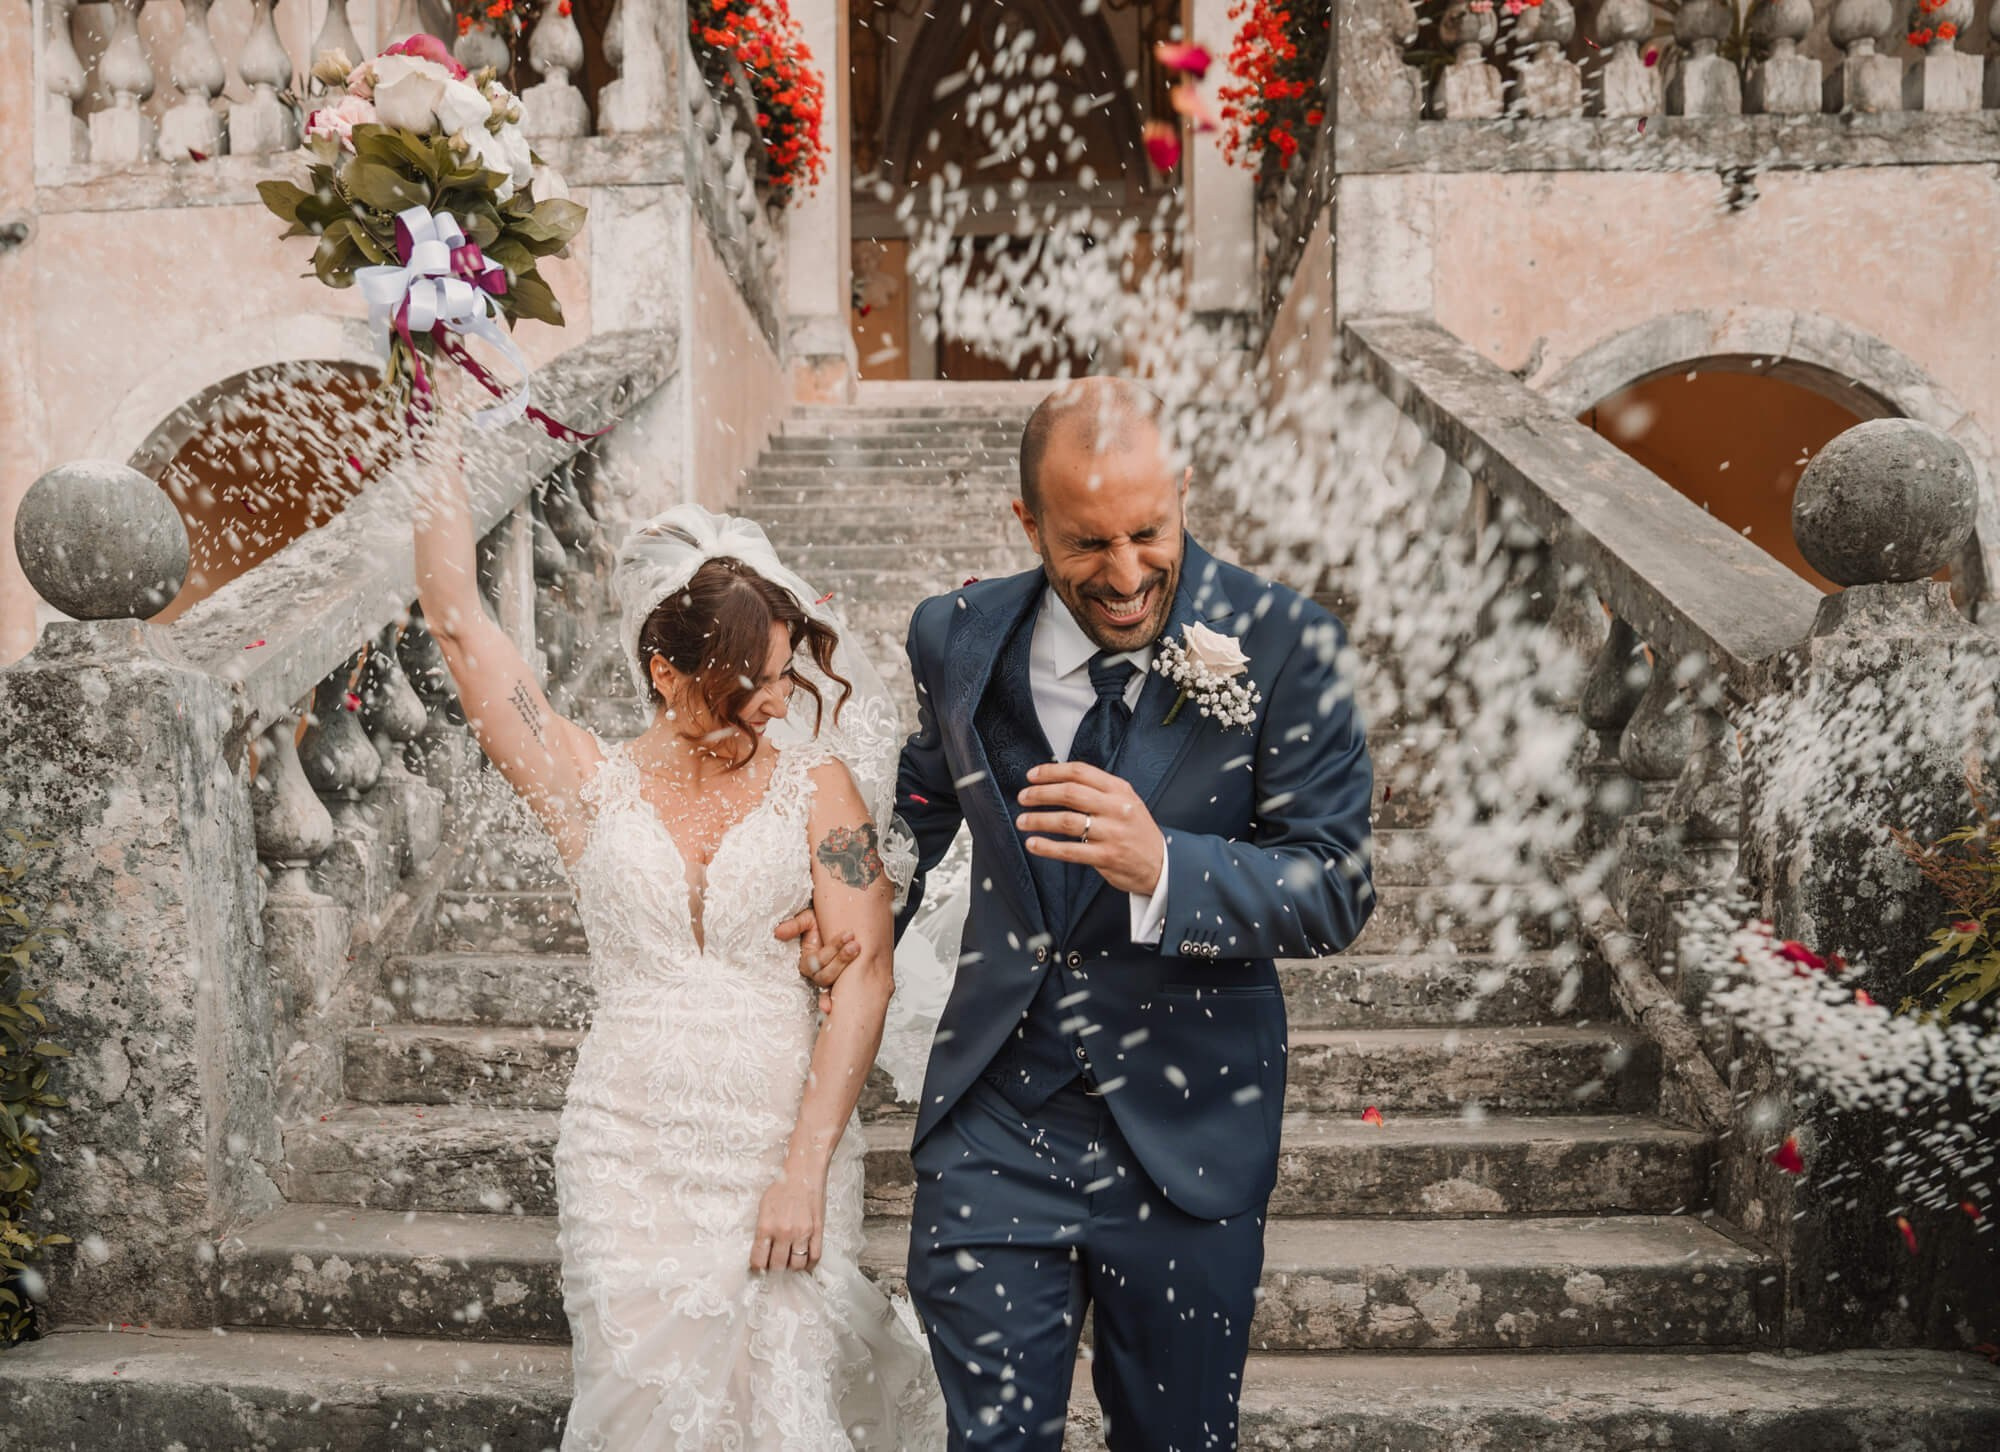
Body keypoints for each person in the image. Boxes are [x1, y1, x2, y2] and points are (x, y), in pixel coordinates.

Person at [410, 409, 944, 1449]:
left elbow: (866, 974)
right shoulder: (583, 783)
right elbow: (458, 623)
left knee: (782, 1403)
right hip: (623, 1147)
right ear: (665, 669)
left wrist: (805, 1164)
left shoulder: (818, 787)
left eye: (789, 673)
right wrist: (432, 415)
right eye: (755, 679)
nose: (778, 701)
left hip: (775, 1140)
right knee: (641, 1405)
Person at [890, 377, 1375, 1449]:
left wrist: (1169, 869)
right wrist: (856, 900)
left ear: (1183, 492)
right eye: (1085, 542)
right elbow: (916, 806)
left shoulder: (1286, 643)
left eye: (1148, 532)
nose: (1123, 574)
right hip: (995, 1122)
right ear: (1026, 524)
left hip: (1186, 1135)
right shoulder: (953, 638)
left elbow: (1335, 884)